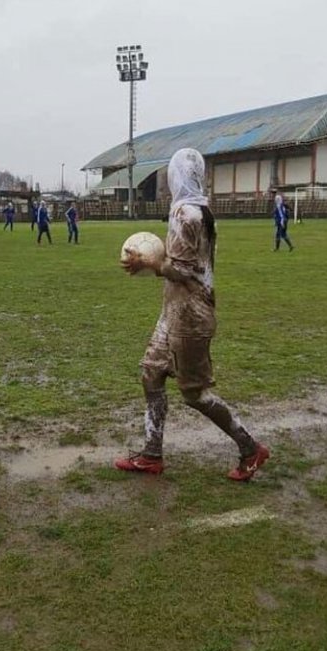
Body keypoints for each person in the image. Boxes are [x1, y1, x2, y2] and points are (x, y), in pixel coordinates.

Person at [115, 148, 269, 482]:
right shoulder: (196, 209)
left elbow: (181, 271)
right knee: (151, 372)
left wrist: (147, 263)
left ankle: (250, 447)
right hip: (174, 311)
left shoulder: (188, 214)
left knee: (194, 393)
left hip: (191, 317)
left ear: (176, 177)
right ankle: (151, 454)